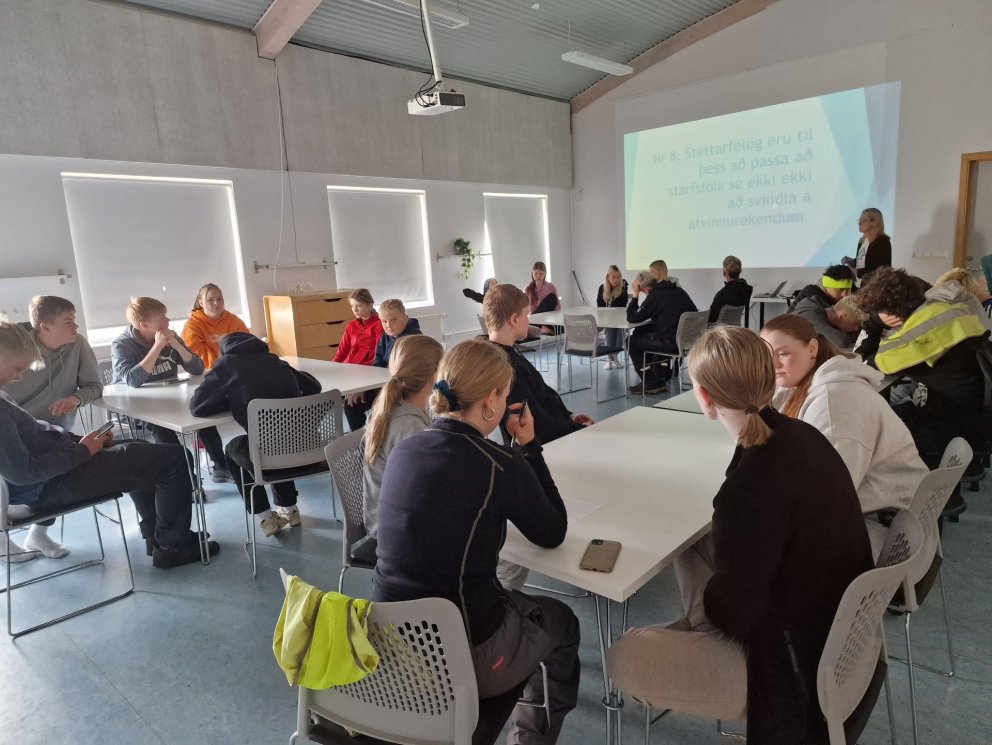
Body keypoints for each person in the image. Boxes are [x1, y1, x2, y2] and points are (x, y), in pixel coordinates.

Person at [607, 326, 873, 745]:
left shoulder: (748, 488)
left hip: (793, 666)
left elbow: (733, 611)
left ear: (705, 397)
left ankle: (695, 644)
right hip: (846, 636)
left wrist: (711, 598)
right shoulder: (804, 436)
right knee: (693, 542)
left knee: (624, 654)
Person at [373, 339, 580, 744]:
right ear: (491, 400)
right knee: (563, 623)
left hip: (389, 641)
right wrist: (529, 447)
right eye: (504, 395)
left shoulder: (407, 448)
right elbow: (553, 532)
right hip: (461, 653)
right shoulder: (499, 463)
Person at [0, 321, 219, 568]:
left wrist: (82, 444)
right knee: (176, 458)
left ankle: (157, 538)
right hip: (52, 486)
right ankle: (172, 545)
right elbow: (23, 473)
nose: (19, 376)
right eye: (17, 368)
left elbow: (36, 441)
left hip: (60, 470)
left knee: (144, 450)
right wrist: (83, 450)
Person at [760, 314, 928, 553]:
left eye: (783, 354)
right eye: (766, 355)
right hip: (869, 513)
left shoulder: (835, 400)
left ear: (812, 348)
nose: (773, 364)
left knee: (740, 536)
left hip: (884, 532)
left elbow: (825, 496)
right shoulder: (800, 385)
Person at [855, 268, 992, 476]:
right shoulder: (950, 304)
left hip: (947, 420)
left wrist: (874, 323)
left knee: (873, 428)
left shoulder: (915, 338)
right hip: (972, 408)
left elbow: (862, 364)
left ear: (889, 314)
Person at [189, 332, 321, 536]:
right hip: (309, 450)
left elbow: (197, 407)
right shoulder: (275, 360)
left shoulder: (225, 366)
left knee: (235, 450)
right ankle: (290, 510)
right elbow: (314, 386)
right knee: (276, 441)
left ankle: (267, 518)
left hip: (267, 454)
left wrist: (233, 397)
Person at [111, 297, 232, 482]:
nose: (167, 321)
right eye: (161, 319)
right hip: (138, 408)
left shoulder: (171, 335)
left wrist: (176, 345)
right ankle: (185, 479)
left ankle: (221, 467)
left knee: (201, 412)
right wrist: (157, 346)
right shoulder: (122, 345)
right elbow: (132, 380)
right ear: (144, 325)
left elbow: (197, 368)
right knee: (162, 428)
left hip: (170, 399)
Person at [484, 284, 593, 444]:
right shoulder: (505, 367)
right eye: (526, 315)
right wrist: (579, 429)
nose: (528, 320)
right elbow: (538, 423)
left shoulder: (501, 353)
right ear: (514, 319)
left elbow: (542, 394)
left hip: (558, 427)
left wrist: (569, 416)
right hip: (548, 444)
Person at [362, 335, 443, 538]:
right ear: (434, 377)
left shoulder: (391, 409)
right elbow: (428, 490)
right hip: (398, 532)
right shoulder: (409, 427)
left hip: (386, 521)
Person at [2, 295, 101, 430]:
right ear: (45, 327)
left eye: (74, 320)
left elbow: (95, 387)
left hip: (57, 433)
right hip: (19, 430)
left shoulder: (78, 343)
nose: (76, 326)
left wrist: (75, 399)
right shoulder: (16, 347)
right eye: (68, 322)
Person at [626, 265, 697, 395]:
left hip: (672, 343)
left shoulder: (656, 295)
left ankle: (650, 383)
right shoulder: (677, 290)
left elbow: (632, 317)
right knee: (640, 331)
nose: (645, 295)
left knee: (630, 341)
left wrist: (635, 295)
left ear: (646, 288)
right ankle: (660, 377)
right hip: (689, 341)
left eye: (643, 292)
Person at [333, 289, 384, 431]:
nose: (355, 309)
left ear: (370, 305)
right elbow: (341, 354)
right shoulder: (351, 326)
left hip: (367, 374)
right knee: (324, 397)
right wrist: (330, 370)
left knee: (352, 405)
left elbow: (378, 356)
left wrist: (359, 383)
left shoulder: (379, 325)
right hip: (349, 373)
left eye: (359, 305)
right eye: (352, 306)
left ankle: (361, 440)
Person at [181, 283, 250, 370]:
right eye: (210, 300)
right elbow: (199, 361)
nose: (216, 303)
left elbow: (247, 349)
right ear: (201, 302)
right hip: (208, 373)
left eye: (219, 299)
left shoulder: (234, 321)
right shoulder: (192, 326)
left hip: (236, 370)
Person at [792, 284, 863, 350]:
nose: (856, 329)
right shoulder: (809, 318)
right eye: (855, 324)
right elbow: (839, 343)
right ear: (842, 317)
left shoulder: (825, 310)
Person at [372, 298, 422, 368]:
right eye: (384, 321)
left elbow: (417, 364)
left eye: (394, 320)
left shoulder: (415, 337)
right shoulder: (384, 337)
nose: (388, 325)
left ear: (405, 319)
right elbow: (378, 360)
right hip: (386, 375)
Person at [597, 265, 628, 368]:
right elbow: (599, 307)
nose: (617, 280)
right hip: (606, 319)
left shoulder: (623, 288)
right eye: (613, 277)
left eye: (619, 277)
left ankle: (614, 356)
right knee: (610, 329)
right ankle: (610, 358)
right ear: (608, 277)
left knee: (618, 330)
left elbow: (620, 306)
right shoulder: (602, 288)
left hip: (619, 319)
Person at [707, 256, 752, 324]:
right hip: (733, 329)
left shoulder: (722, 295)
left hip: (718, 331)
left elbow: (711, 319)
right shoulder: (746, 290)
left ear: (724, 273)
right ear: (740, 271)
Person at [850, 207, 892, 280]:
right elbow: (863, 262)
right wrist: (852, 262)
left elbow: (880, 269)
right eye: (859, 220)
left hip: (876, 286)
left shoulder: (882, 242)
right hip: (863, 285)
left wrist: (856, 271)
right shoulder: (862, 241)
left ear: (874, 222)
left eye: (863, 220)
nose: (859, 222)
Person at [526, 261, 560, 334]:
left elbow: (557, 305)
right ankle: (543, 327)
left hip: (548, 318)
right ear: (532, 274)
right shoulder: (528, 288)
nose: (538, 276)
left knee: (552, 297)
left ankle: (545, 326)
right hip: (535, 318)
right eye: (536, 274)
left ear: (545, 274)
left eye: (541, 274)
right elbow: (526, 307)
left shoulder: (550, 286)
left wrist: (556, 318)